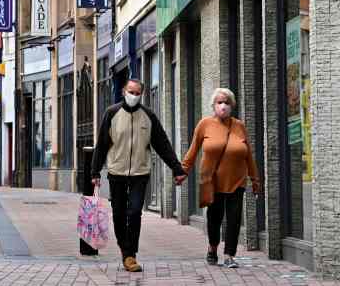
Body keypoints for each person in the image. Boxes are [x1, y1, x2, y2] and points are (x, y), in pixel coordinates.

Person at [91, 79, 187, 273]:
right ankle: (124, 248)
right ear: (123, 91)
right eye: (130, 91)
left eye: (137, 93)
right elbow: (101, 144)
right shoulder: (111, 113)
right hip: (116, 172)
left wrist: (177, 169)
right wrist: (95, 171)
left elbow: (162, 144)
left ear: (141, 95)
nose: (133, 96)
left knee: (134, 212)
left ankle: (130, 255)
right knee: (119, 214)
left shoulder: (148, 116)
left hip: (140, 173)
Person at [178, 88, 261, 269]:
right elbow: (193, 151)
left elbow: (249, 155)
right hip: (212, 181)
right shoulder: (204, 124)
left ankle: (230, 255)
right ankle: (212, 247)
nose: (223, 106)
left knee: (234, 218)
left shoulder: (239, 126)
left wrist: (255, 179)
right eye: (220, 102)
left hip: (237, 180)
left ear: (232, 105)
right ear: (213, 105)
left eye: (227, 102)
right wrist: (182, 171)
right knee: (214, 218)